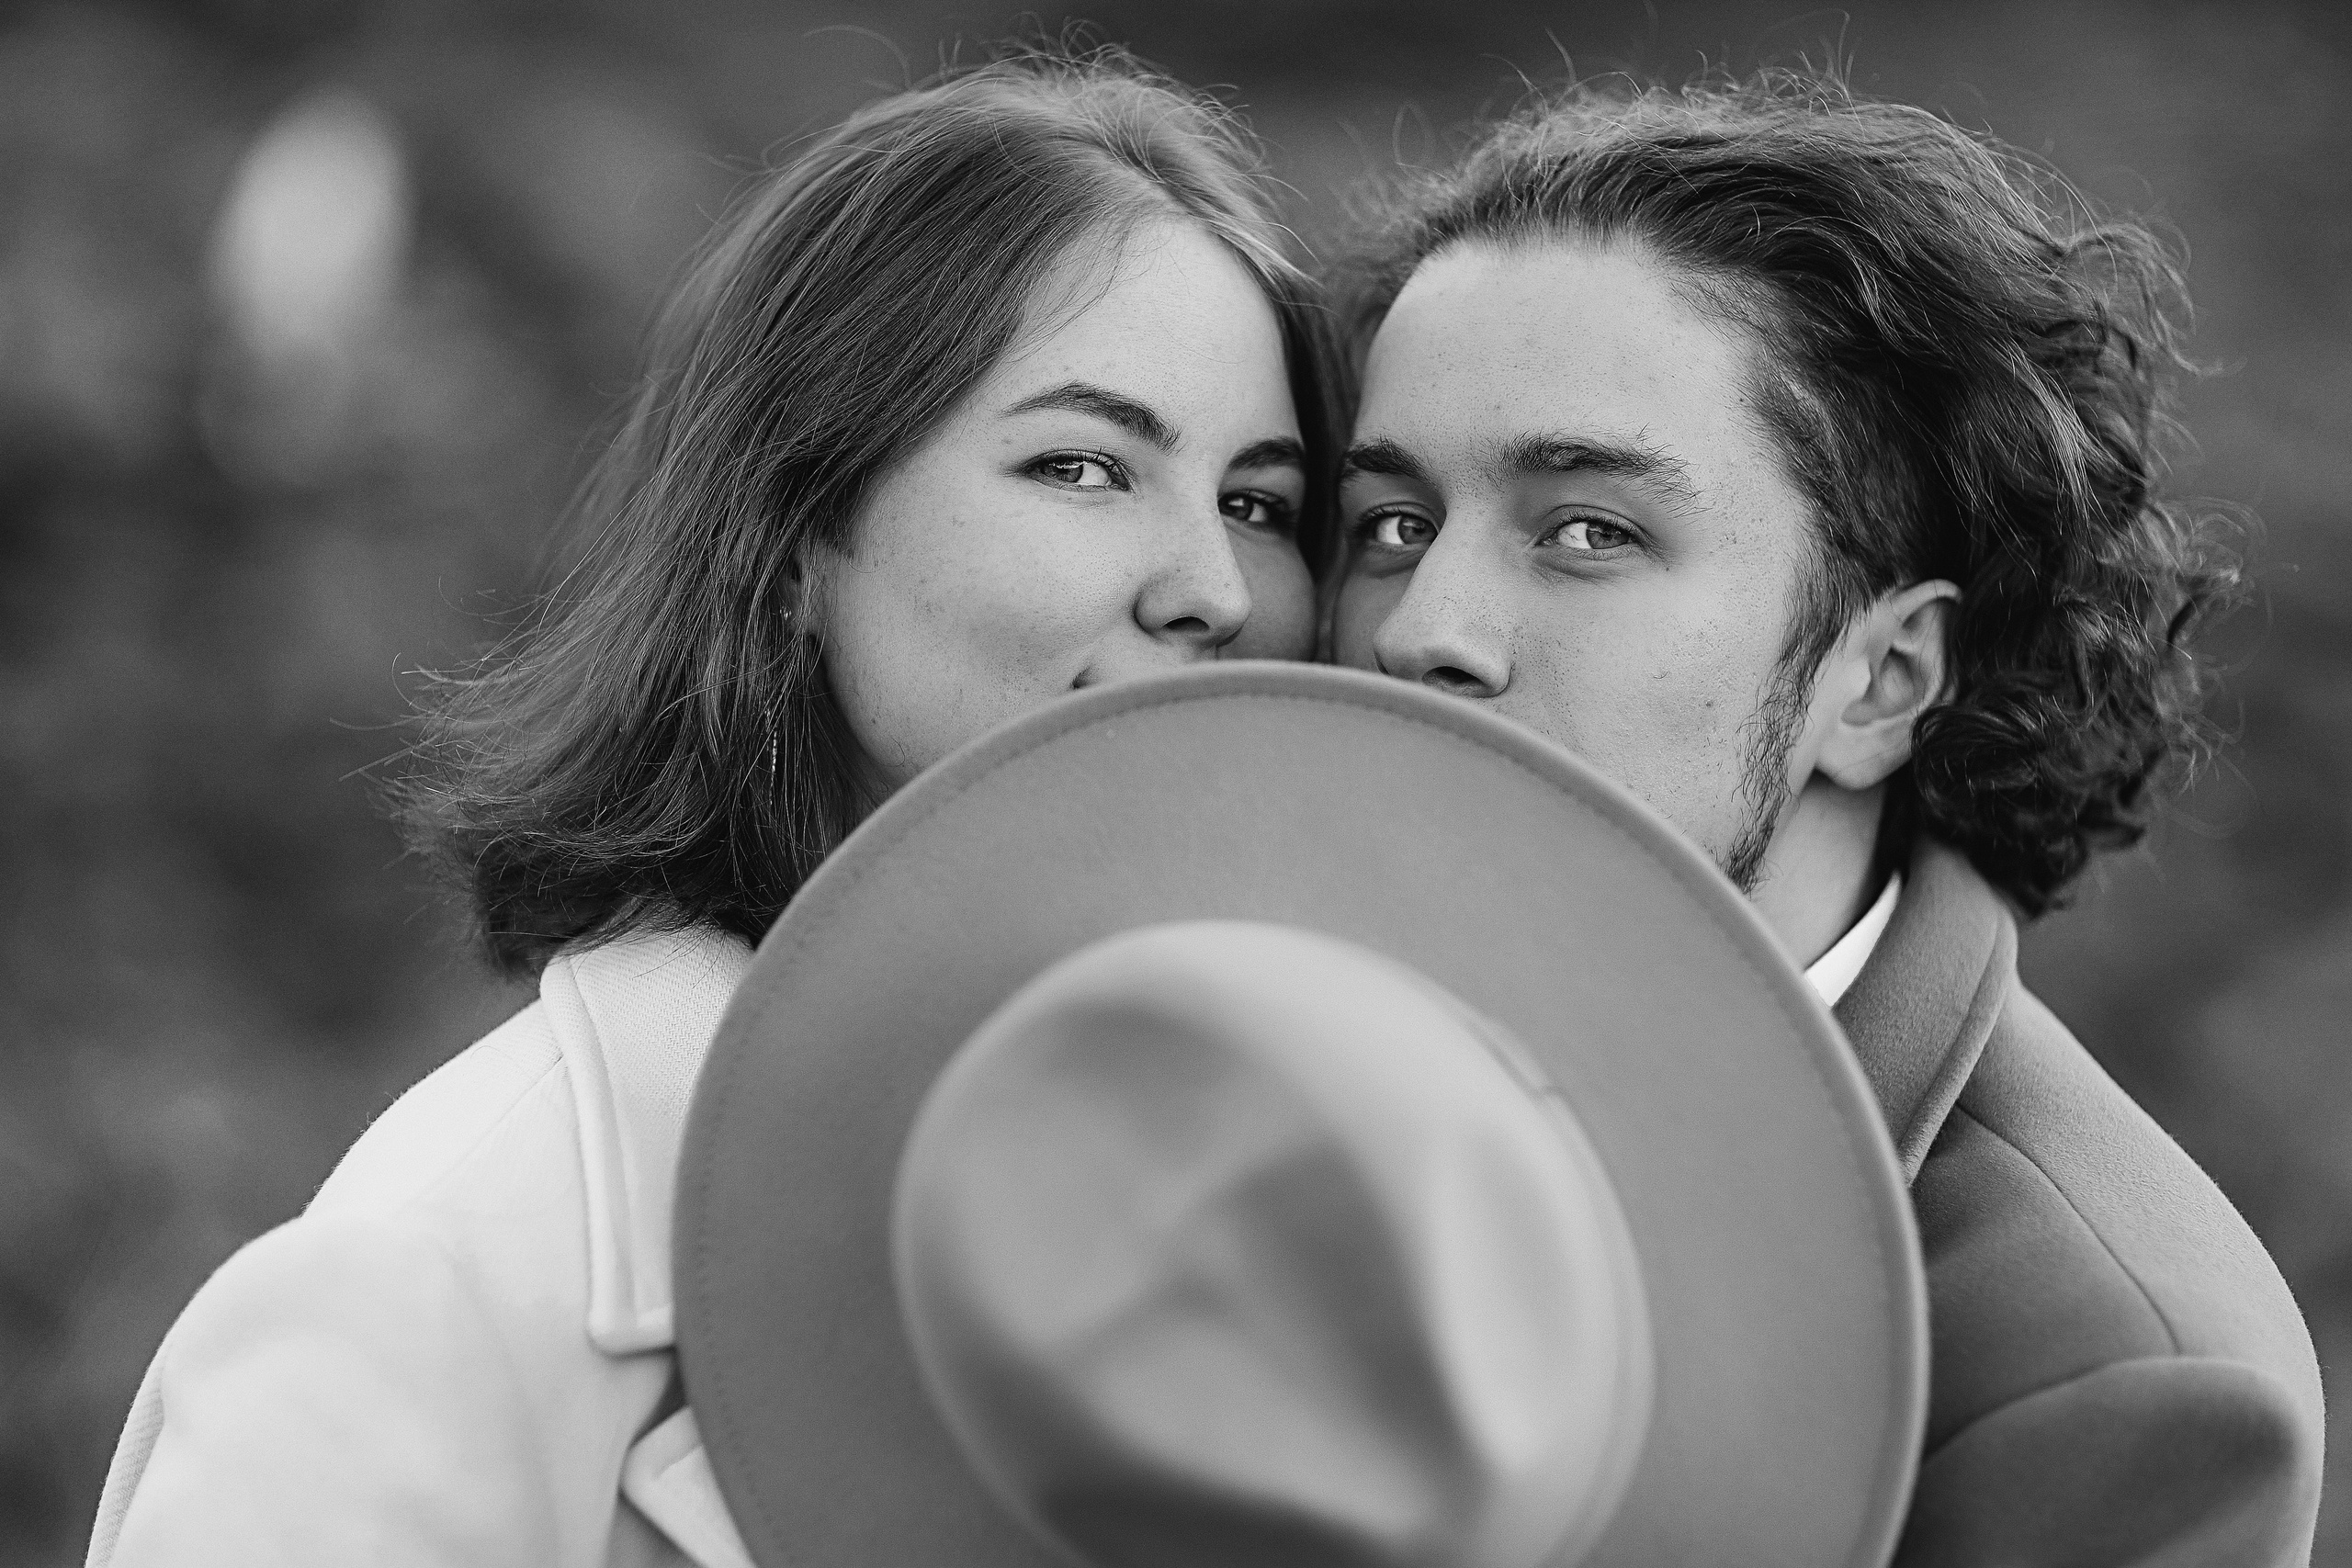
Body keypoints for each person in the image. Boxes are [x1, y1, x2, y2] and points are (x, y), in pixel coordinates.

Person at [86, 47, 1331, 1568]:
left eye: (1261, 503)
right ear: (801, 541)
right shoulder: (437, 1288)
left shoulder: (1270, 1216)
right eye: (1082, 466)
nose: (1212, 589)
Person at [1329, 69, 2325, 1564]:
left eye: (1590, 531)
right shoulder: (1241, 985)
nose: (1423, 629)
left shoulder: (2114, 1381)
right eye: (1396, 525)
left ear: (1879, 678)